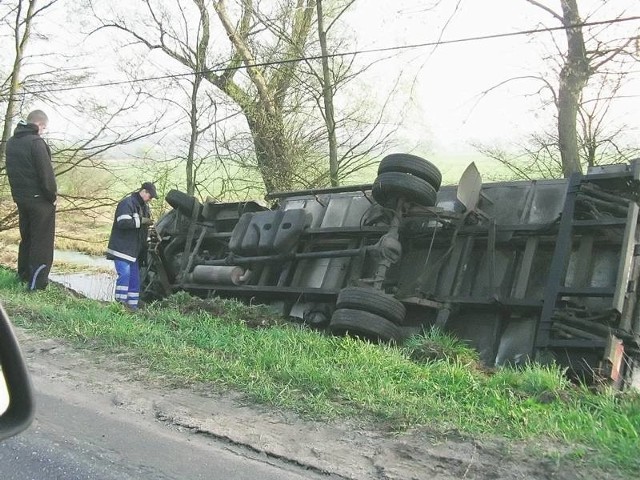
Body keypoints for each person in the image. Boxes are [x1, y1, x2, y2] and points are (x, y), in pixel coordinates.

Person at [5, 110, 57, 290]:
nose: (43, 131)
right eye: (44, 128)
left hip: (21, 199)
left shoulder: (11, 142)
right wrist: (52, 198)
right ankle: (37, 283)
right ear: (40, 125)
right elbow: (46, 176)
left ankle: (23, 275)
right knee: (41, 241)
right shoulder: (36, 143)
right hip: (39, 201)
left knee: (26, 237)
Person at [106, 182, 157, 310]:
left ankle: (132, 309)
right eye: (150, 196)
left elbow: (142, 228)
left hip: (134, 252)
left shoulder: (144, 207)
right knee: (125, 276)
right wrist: (142, 221)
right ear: (144, 191)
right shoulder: (127, 203)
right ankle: (119, 307)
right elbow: (123, 222)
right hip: (122, 249)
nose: (150, 200)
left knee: (135, 281)